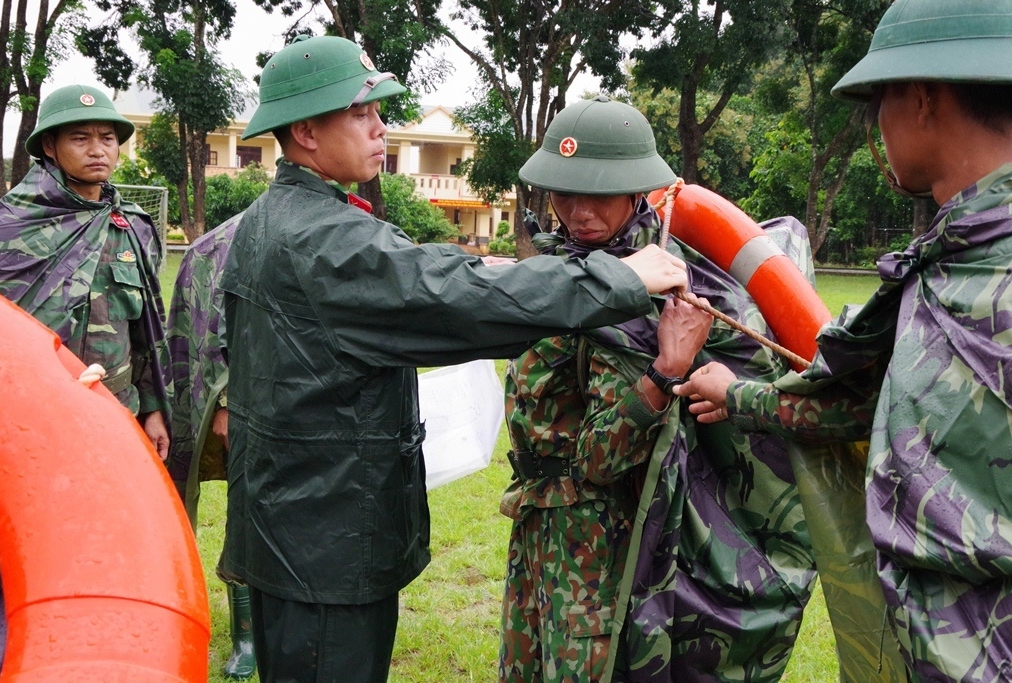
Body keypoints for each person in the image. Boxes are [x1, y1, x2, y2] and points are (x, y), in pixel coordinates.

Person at [219, 36, 689, 683]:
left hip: (292, 530)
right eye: (362, 113)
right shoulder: (323, 239)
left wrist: (479, 266)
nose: (381, 127)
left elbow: (416, 273)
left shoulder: (274, 219)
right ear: (305, 130)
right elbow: (453, 303)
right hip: (322, 550)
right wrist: (624, 279)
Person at [676, 1, 1012, 680]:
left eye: (878, 101)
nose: (875, 126)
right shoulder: (945, 262)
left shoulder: (986, 264)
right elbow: (858, 402)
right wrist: (738, 394)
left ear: (920, 100)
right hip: (927, 645)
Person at [500, 96, 818, 682]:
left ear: (634, 192)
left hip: (596, 553)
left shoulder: (649, 291)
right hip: (540, 536)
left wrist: (667, 366)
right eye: (563, 193)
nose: (578, 211)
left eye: (596, 192)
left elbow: (601, 460)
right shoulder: (567, 272)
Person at [0, 84, 170, 456]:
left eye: (107, 137)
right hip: (31, 420)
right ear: (50, 146)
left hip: (119, 414)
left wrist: (151, 410)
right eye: (80, 137)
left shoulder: (133, 226)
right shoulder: (8, 228)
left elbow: (147, 331)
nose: (97, 149)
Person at [166, 213, 254, 679]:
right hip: (250, 401)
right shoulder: (229, 240)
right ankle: (247, 636)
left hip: (316, 405)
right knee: (246, 506)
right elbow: (213, 323)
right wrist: (225, 400)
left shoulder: (350, 225)